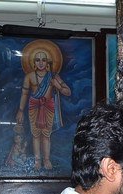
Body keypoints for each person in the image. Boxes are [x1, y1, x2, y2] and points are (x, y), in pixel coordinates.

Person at [15, 41, 71, 171]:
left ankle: (46, 160)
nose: (41, 63)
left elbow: (67, 92)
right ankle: (37, 161)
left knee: (46, 135)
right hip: (34, 106)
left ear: (48, 63)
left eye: (43, 60)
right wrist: (20, 110)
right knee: (35, 135)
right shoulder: (29, 76)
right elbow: (24, 93)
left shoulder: (53, 76)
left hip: (48, 106)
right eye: (38, 60)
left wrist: (57, 85)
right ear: (34, 63)